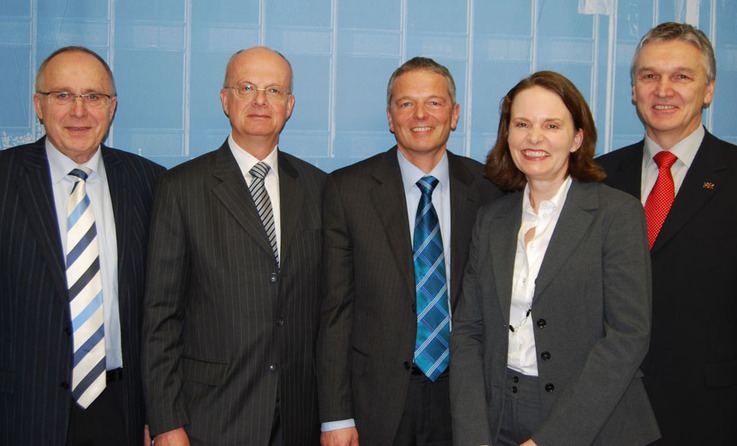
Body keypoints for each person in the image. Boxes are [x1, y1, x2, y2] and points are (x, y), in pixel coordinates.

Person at [450, 71, 661, 446]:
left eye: (551, 125)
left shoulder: (616, 214)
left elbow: (627, 338)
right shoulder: (492, 219)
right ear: (508, 135)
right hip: (498, 415)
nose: (534, 137)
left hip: (591, 422)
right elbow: (468, 332)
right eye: (522, 124)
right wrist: (473, 435)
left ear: (577, 137)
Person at [141, 46, 325, 446]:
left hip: (299, 419)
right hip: (211, 418)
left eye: (274, 91)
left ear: (289, 105)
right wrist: (166, 422)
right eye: (247, 88)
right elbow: (160, 318)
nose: (261, 100)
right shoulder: (181, 187)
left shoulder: (319, 188)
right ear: (225, 99)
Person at [317, 57, 502, 446]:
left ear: (454, 114)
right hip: (377, 403)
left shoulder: (490, 190)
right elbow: (335, 310)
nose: (420, 114)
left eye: (433, 103)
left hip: (466, 395)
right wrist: (335, 416)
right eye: (405, 104)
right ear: (390, 116)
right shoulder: (346, 191)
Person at [0, 46, 164, 445]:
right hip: (21, 410)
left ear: (111, 108)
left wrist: (160, 414)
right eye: (63, 95)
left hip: (123, 409)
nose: (79, 111)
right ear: (38, 105)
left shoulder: (153, 184)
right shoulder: (4, 180)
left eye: (93, 97)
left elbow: (167, 311)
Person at [596, 22, 737, 444]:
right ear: (633, 91)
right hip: (609, 413)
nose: (663, 89)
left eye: (681, 76)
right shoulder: (595, 179)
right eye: (649, 76)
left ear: (708, 90)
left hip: (713, 414)